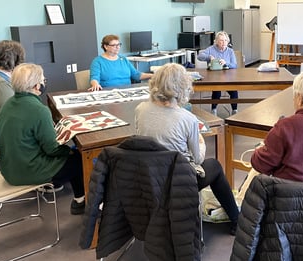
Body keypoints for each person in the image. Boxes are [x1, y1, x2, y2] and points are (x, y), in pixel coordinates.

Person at [134, 63, 240, 235]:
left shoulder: (140, 109)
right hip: (179, 183)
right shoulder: (187, 119)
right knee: (214, 166)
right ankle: (236, 219)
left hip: (149, 178)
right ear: (183, 86)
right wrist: (200, 141)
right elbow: (197, 160)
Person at [0, 63, 85, 215]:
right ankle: (81, 201)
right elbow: (52, 149)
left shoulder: (8, 104)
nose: (44, 83)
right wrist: (68, 150)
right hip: (28, 171)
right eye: (44, 80)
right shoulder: (39, 110)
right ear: (37, 86)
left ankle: (80, 200)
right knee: (78, 157)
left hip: (9, 168)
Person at [88, 34, 153, 91]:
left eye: (119, 44)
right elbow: (94, 78)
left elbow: (136, 75)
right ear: (106, 46)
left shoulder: (123, 59)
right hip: (109, 92)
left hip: (127, 91)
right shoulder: (97, 61)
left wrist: (153, 75)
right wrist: (95, 84)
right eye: (114, 45)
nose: (118, 47)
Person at [197, 31, 239, 116]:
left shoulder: (230, 51)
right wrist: (209, 57)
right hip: (214, 76)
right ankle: (214, 109)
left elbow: (234, 65)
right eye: (221, 40)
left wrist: (226, 63)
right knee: (217, 91)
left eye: (225, 40)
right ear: (216, 41)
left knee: (234, 91)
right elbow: (199, 56)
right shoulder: (211, 49)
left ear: (228, 41)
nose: (223, 43)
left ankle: (234, 110)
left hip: (228, 77)